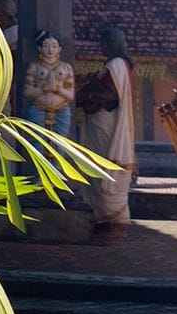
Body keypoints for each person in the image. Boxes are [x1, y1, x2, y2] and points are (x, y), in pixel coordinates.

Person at [75, 24, 136, 235]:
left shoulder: (116, 65)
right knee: (97, 169)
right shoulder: (116, 65)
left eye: (102, 43)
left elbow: (110, 96)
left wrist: (87, 97)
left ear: (109, 44)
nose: (101, 47)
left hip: (106, 125)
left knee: (104, 170)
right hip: (101, 124)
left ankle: (113, 224)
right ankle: (103, 221)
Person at [23, 29, 75, 136]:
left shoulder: (66, 68)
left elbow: (70, 95)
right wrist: (43, 89)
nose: (50, 50)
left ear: (59, 49)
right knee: (37, 144)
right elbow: (27, 92)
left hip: (61, 110)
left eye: (54, 46)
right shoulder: (34, 67)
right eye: (46, 46)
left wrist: (59, 89)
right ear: (40, 48)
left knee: (61, 146)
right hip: (38, 108)